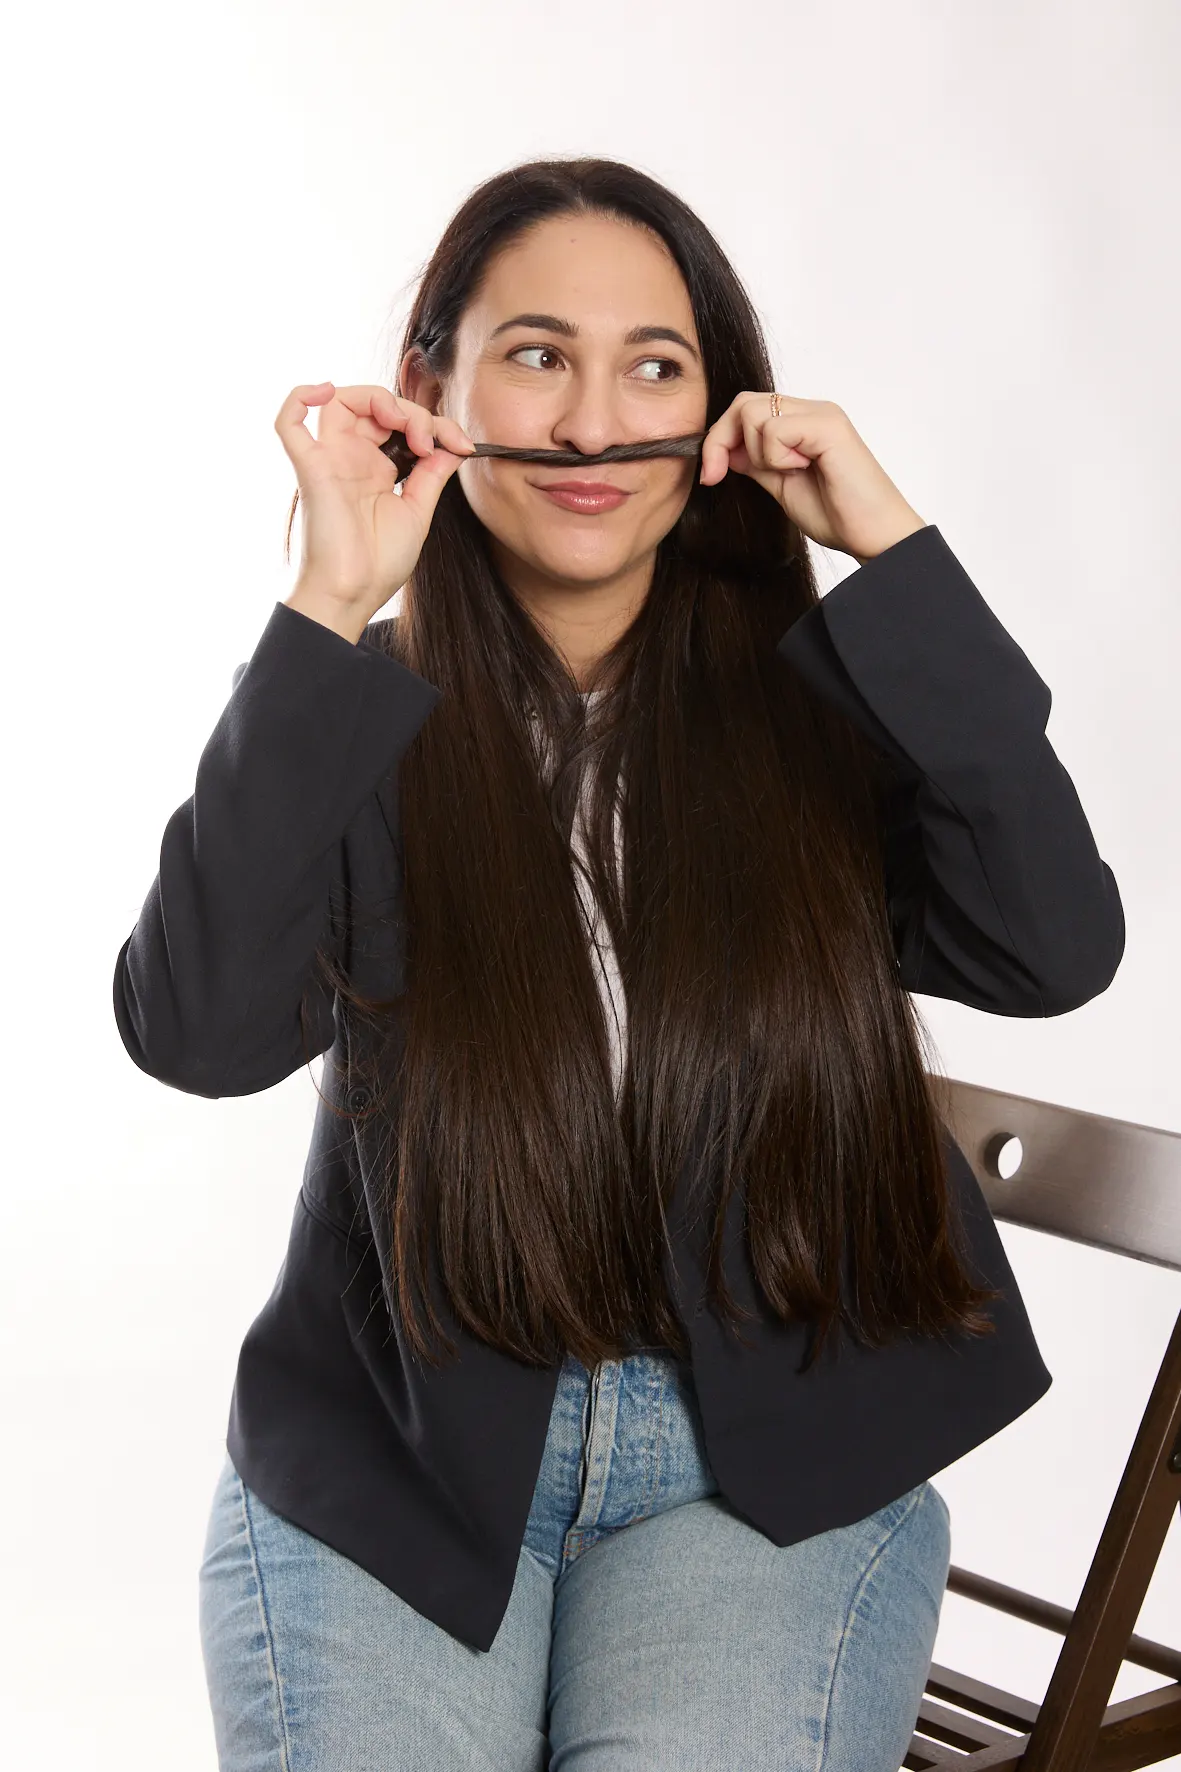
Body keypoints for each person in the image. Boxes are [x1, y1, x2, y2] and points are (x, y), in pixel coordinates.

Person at [113, 156, 1125, 1771]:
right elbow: (202, 1034)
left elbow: (1055, 947)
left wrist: (896, 551)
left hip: (765, 1471)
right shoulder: (348, 725)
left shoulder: (830, 712)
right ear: (431, 391)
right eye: (537, 356)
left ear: (718, 413)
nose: (593, 428)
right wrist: (326, 601)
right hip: (406, 1460)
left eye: (653, 365)